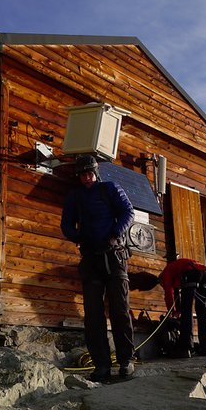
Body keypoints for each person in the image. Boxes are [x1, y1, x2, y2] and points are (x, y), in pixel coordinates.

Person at [60, 155, 135, 381]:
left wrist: (115, 233)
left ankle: (126, 361)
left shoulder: (110, 188)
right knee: (93, 315)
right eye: (83, 174)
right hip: (91, 258)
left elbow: (128, 212)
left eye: (90, 173)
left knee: (120, 310)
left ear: (96, 172)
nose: (87, 178)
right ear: (79, 176)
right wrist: (78, 236)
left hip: (115, 256)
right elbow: (66, 224)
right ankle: (101, 365)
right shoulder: (75, 197)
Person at [159, 257, 206, 357]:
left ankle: (185, 348)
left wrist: (172, 311)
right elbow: (177, 295)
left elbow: (169, 294)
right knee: (201, 310)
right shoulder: (176, 270)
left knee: (186, 312)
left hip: (191, 274)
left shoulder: (166, 273)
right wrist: (177, 310)